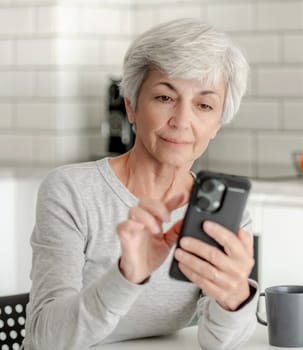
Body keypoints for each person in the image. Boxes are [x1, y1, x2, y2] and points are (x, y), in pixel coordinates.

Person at [23, 18, 256, 350]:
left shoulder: (221, 211)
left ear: (217, 124)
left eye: (204, 105)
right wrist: (127, 276)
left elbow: (218, 342)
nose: (182, 120)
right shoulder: (71, 191)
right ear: (131, 106)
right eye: (164, 97)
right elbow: (45, 339)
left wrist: (235, 298)